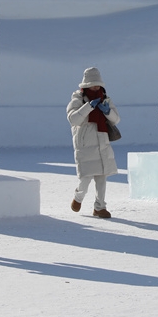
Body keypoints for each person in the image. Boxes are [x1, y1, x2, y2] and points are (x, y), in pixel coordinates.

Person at [66, 67, 120, 218]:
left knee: (102, 177)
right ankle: (78, 197)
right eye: (93, 84)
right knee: (86, 178)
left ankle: (100, 207)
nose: (96, 87)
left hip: (102, 140)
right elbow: (73, 119)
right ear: (86, 85)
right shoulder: (77, 98)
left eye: (98, 84)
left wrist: (107, 111)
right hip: (86, 143)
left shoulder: (105, 98)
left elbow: (116, 119)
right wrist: (89, 107)